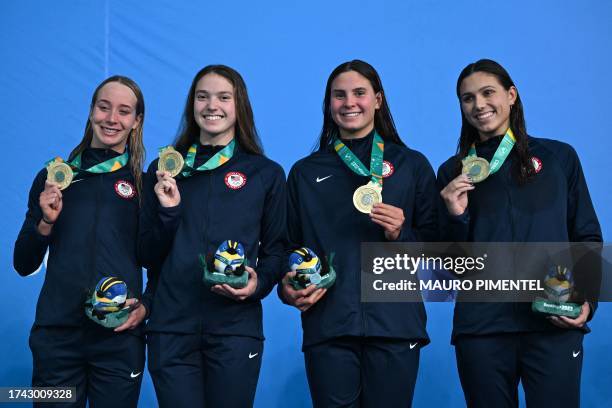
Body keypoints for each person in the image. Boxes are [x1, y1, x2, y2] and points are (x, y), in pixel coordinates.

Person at [437, 59, 602, 407]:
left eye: (487, 93)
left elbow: (585, 236)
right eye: (467, 98)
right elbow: (449, 268)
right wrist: (455, 215)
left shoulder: (559, 157)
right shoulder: (453, 172)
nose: (479, 105)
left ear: (511, 95)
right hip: (482, 329)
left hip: (552, 322)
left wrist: (586, 300)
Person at [279, 60, 437, 407]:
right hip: (329, 326)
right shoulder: (305, 173)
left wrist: (401, 235)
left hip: (396, 326)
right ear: (329, 104)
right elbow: (286, 249)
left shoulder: (412, 165)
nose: (349, 102)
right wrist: (286, 287)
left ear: (378, 100)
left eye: (359, 93)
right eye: (339, 95)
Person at [139, 65, 286, 408]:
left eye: (223, 97)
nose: (211, 105)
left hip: (235, 328)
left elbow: (278, 250)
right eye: (202, 97)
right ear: (192, 105)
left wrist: (258, 284)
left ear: (239, 106)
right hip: (171, 327)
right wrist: (169, 210)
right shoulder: (164, 170)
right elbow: (146, 254)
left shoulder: (265, 173)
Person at [13, 75, 148, 407]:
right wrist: (46, 221)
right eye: (104, 107)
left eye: (123, 111)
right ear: (91, 112)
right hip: (57, 338)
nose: (112, 119)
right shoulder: (55, 179)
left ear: (136, 121)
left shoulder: (144, 186)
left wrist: (148, 305)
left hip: (118, 339)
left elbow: (164, 259)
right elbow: (23, 263)